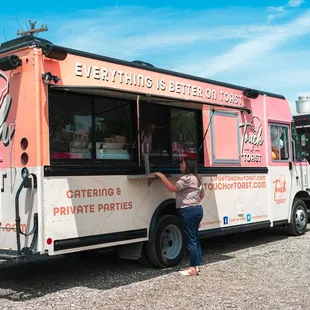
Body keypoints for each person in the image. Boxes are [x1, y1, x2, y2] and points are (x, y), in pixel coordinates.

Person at [153, 157, 205, 276]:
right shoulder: (197, 178)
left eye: (182, 163)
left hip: (188, 210)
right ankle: (196, 266)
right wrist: (194, 203)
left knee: (191, 239)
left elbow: (172, 189)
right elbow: (202, 195)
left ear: (187, 166)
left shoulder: (186, 178)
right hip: (197, 209)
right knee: (195, 238)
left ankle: (192, 268)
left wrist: (161, 176)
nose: (180, 165)